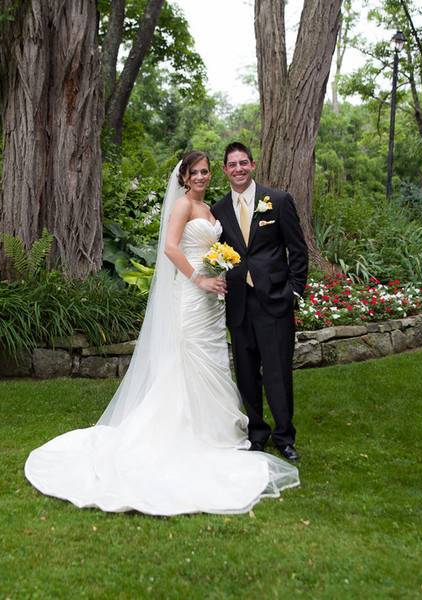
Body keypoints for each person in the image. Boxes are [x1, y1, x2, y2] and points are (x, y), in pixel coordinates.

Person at [24, 151, 299, 515]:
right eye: (194, 172)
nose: (201, 176)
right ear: (183, 177)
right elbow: (171, 247)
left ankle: (244, 431)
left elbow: (238, 250)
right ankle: (192, 431)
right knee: (190, 360)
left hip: (216, 303)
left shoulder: (217, 209)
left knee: (216, 361)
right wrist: (199, 277)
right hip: (192, 293)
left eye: (205, 171)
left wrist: (224, 273)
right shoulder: (186, 206)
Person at [211, 142, 308, 461]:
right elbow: (216, 254)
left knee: (278, 371)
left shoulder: (277, 201)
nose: (237, 169)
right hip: (239, 303)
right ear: (224, 170)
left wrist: (294, 291)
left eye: (243, 163)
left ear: (252, 165)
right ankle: (257, 433)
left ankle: (284, 436)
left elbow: (298, 249)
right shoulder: (219, 209)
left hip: (275, 301)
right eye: (231, 164)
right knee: (247, 371)